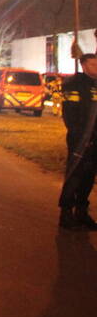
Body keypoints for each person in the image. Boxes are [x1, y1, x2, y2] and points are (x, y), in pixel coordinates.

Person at [58, 51, 97, 230]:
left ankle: (81, 212)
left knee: (89, 176)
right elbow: (70, 114)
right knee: (75, 174)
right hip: (80, 138)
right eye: (92, 65)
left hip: (95, 139)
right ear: (83, 65)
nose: (96, 68)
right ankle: (66, 212)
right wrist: (79, 136)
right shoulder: (73, 84)